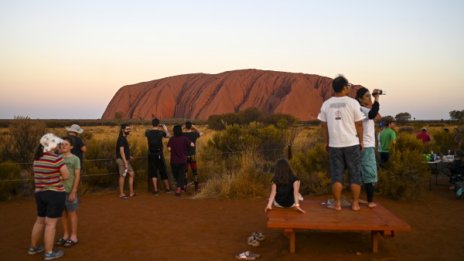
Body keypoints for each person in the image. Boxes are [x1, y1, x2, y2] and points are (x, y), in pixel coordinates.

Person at [317, 75, 365, 211]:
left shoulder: (326, 104)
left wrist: (326, 142)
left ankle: (337, 204)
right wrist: (361, 141)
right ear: (344, 87)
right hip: (352, 143)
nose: (349, 87)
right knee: (355, 174)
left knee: (336, 175)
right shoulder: (353, 103)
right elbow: (359, 125)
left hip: (334, 145)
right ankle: (355, 204)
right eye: (348, 85)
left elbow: (324, 126)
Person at [28, 133, 69, 260]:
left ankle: (33, 248)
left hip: (40, 194)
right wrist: (57, 177)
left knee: (40, 221)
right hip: (55, 194)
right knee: (51, 224)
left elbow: (38, 175)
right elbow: (66, 176)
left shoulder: (37, 159)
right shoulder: (56, 159)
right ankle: (49, 253)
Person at [356, 87, 382, 208]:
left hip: (363, 145)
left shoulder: (361, 109)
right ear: (360, 99)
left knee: (360, 173)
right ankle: (370, 201)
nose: (369, 97)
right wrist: (377, 99)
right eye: (367, 96)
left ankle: (357, 199)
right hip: (366, 146)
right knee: (369, 172)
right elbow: (372, 114)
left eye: (369, 96)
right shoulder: (362, 109)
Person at [55, 137, 81, 248]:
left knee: (72, 213)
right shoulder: (57, 158)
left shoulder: (75, 159)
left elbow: (77, 175)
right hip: (59, 190)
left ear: (71, 147)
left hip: (70, 190)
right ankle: (65, 235)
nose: (63, 146)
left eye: (66, 144)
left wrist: (74, 191)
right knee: (62, 214)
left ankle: (73, 236)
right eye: (62, 144)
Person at [145, 118, 171, 194]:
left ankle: (155, 190)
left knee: (153, 171)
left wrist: (153, 127)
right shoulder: (161, 133)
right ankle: (167, 188)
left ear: (152, 124)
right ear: (158, 124)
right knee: (162, 170)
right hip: (159, 154)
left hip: (151, 154)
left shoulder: (148, 132)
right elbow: (168, 136)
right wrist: (164, 127)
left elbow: (147, 132)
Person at [167, 125, 194, 196]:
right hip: (182, 161)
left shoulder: (172, 139)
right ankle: (180, 187)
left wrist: (173, 149)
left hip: (173, 161)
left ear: (174, 131)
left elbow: (169, 149)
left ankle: (179, 188)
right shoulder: (184, 138)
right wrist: (190, 144)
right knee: (181, 175)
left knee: (176, 175)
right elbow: (192, 145)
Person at [116, 124, 135, 199]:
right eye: (127, 129)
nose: (129, 130)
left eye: (129, 129)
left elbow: (124, 151)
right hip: (122, 160)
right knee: (123, 176)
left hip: (124, 159)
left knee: (131, 174)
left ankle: (131, 192)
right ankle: (121, 194)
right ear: (123, 130)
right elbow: (121, 151)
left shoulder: (123, 138)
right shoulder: (121, 139)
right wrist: (125, 162)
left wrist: (129, 156)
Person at [183, 121, 203, 191]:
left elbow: (176, 133)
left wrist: (183, 127)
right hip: (192, 155)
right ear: (191, 126)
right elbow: (201, 133)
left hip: (185, 156)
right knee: (195, 172)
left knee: (185, 172)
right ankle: (196, 187)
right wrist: (194, 127)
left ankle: (185, 187)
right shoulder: (194, 134)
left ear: (185, 126)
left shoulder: (183, 134)